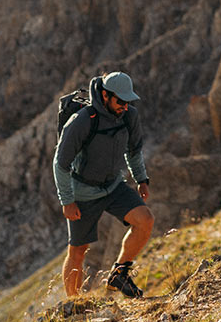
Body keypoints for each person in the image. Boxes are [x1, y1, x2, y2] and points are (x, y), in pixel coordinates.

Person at [53, 71, 154, 297]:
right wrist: (67, 200)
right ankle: (73, 304)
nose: (125, 106)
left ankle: (119, 274)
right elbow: (60, 164)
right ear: (106, 95)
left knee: (145, 220)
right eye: (120, 101)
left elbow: (134, 151)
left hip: (113, 185)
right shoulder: (82, 120)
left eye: (128, 101)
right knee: (78, 251)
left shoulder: (129, 116)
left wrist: (141, 179)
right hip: (83, 192)